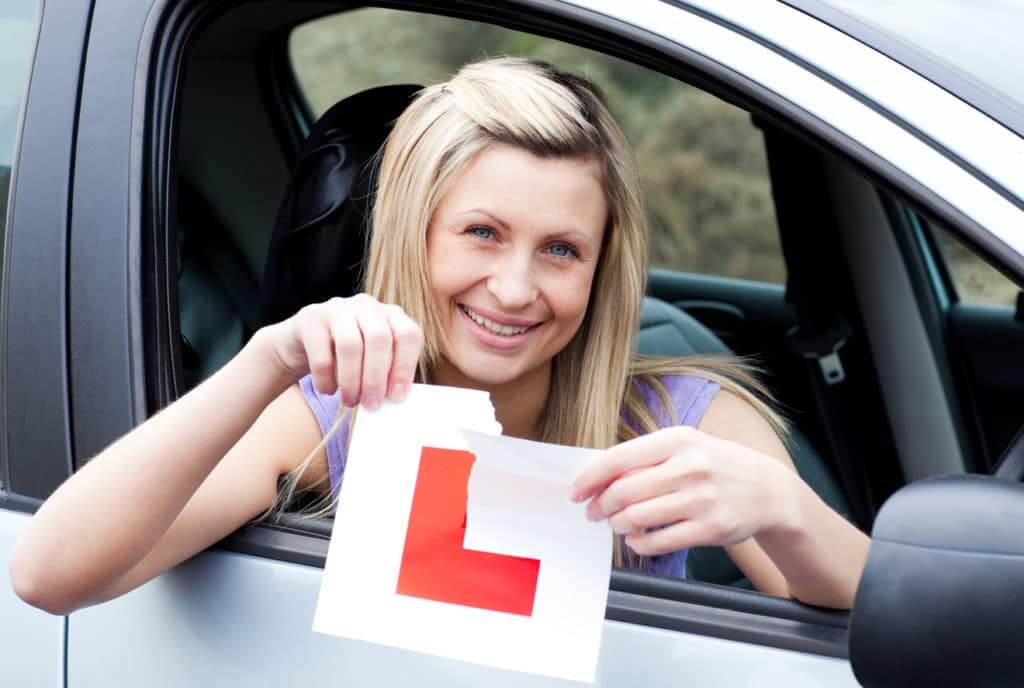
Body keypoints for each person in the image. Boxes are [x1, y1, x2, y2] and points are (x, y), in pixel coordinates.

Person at [10, 57, 868, 615]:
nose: (516, 288)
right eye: (482, 233)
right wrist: (269, 358)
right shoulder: (337, 417)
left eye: (561, 250)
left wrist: (788, 513)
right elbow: (49, 575)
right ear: (413, 233)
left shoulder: (680, 419)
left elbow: (875, 620)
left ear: (604, 269)